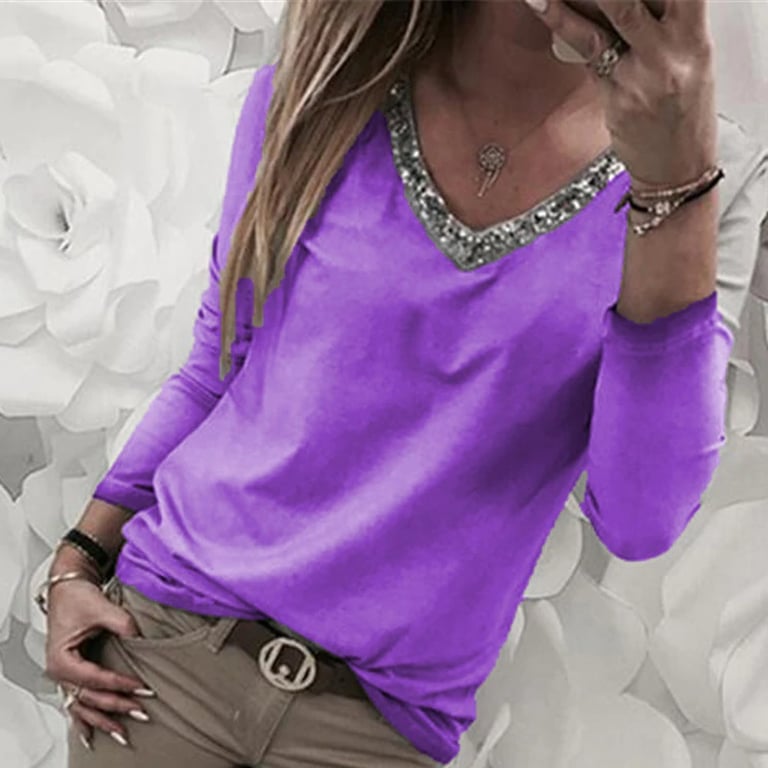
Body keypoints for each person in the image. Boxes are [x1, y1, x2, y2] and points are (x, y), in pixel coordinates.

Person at [36, 0, 767, 766]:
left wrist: (672, 188)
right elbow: (218, 368)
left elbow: (641, 518)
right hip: (161, 669)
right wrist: (77, 561)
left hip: (378, 732)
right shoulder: (325, 88)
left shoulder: (710, 179)